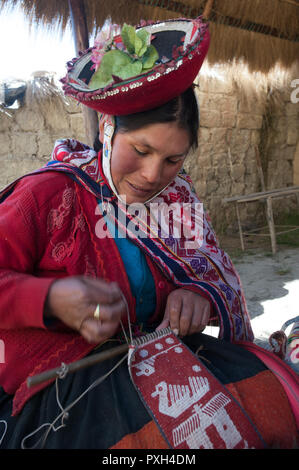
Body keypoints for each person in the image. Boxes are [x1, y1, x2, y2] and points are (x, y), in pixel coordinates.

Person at [0, 16, 298, 450]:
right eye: (140, 151)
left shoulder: (177, 202)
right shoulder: (46, 196)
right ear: (108, 129)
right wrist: (48, 300)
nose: (153, 175)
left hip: (161, 361)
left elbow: (214, 277)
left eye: (173, 160)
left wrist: (197, 296)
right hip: (63, 388)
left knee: (276, 399)